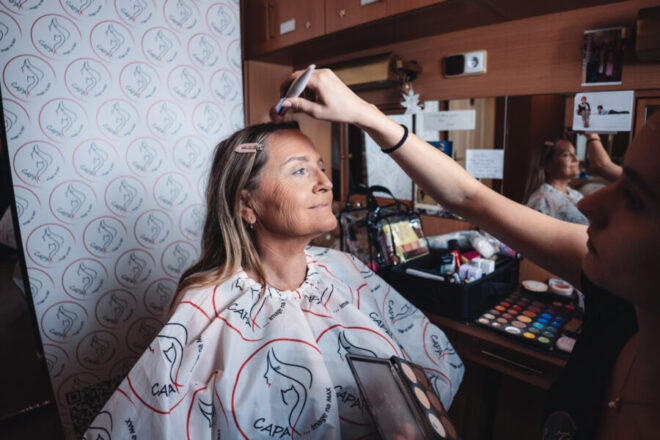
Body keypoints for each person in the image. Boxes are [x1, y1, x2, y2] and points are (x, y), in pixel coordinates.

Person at [275, 68, 660, 439]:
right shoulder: (611, 289)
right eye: (298, 170)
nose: (589, 205)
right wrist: (365, 114)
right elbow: (470, 196)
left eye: (634, 198)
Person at [83, 122, 464, 439]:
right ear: (246, 203)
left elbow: (424, 372)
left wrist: (407, 421)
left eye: (321, 167)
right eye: (299, 171)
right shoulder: (205, 306)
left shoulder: (346, 268)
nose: (325, 183)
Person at [524, 138, 589, 225]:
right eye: (566, 155)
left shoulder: (577, 195)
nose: (576, 159)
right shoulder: (541, 199)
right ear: (548, 165)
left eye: (575, 154)